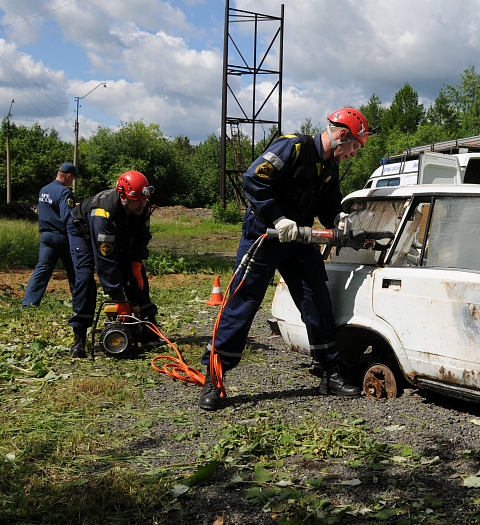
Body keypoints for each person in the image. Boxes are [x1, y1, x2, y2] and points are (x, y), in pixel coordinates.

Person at [199, 108, 369, 411]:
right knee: (244, 300)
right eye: (355, 146)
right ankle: (214, 378)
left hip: (298, 240)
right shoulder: (293, 147)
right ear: (343, 135)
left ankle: (329, 372)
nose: (353, 154)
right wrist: (277, 219)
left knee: (316, 298)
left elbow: (328, 204)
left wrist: (338, 218)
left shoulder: (329, 168)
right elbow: (254, 179)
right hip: (265, 235)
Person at [66, 170, 158, 358]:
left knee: (135, 276)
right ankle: (79, 337)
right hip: (82, 232)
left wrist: (136, 262)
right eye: (137, 200)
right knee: (84, 278)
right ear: (124, 197)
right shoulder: (103, 213)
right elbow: (105, 259)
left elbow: (142, 237)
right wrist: (118, 298)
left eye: (144, 199)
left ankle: (149, 327)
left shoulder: (143, 207)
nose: (142, 204)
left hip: (116, 230)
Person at [21, 163, 78, 307]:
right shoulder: (65, 192)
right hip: (62, 237)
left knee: (42, 271)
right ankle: (80, 303)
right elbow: (67, 216)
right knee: (75, 271)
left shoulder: (44, 190)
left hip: (46, 236)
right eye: (72, 179)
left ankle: (28, 304)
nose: (72, 182)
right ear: (68, 176)